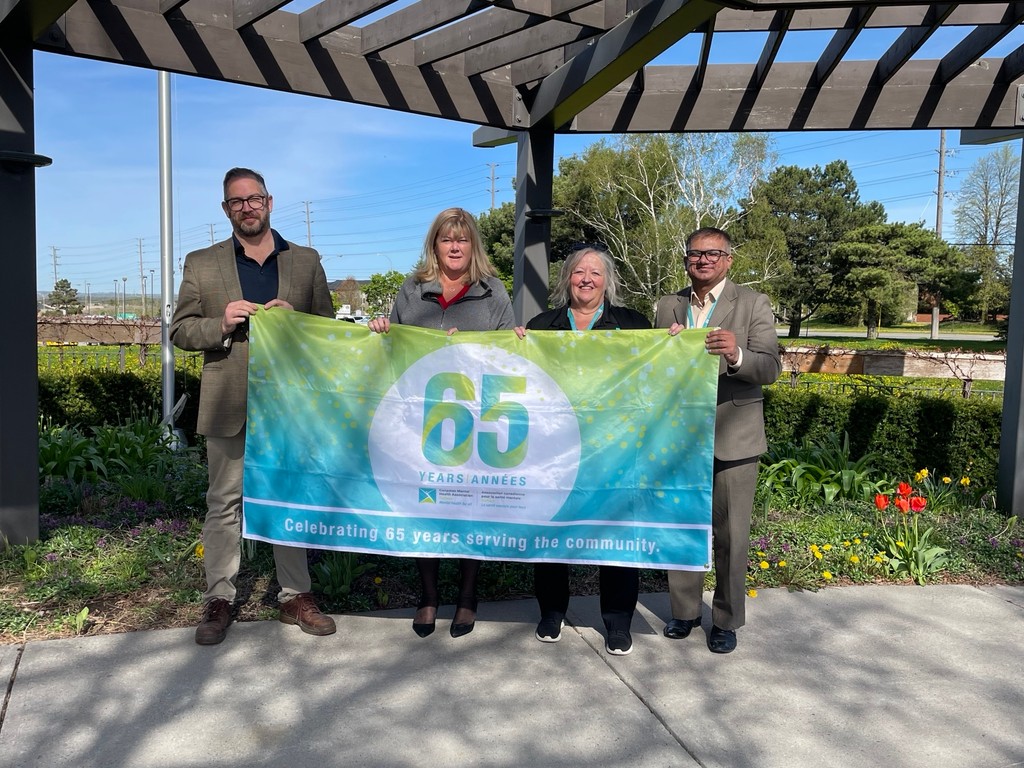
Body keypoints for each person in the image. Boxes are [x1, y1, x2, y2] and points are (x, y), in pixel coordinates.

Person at [171, 167, 337, 645]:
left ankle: (295, 597)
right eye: (236, 201)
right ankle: (219, 597)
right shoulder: (201, 263)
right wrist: (220, 323)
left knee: (288, 495)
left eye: (254, 198)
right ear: (226, 210)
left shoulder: (305, 262)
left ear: (269, 202)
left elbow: (328, 333)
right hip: (229, 402)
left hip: (289, 404)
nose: (247, 207)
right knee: (224, 502)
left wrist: (299, 323)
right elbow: (181, 331)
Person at [368, 207, 514, 638]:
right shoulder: (412, 291)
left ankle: (468, 598)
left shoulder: (493, 292)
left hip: (473, 420)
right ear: (434, 245)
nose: (454, 246)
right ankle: (428, 597)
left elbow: (507, 354)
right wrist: (381, 330)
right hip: (419, 420)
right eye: (446, 239)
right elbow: (392, 350)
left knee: (470, 508)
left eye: (462, 239)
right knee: (424, 506)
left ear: (473, 246)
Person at [514, 245, 651, 656]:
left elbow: (653, 378)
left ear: (608, 281)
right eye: (578, 272)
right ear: (566, 279)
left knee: (616, 537)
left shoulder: (633, 325)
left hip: (614, 450)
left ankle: (617, 622)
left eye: (595, 272)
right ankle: (552, 612)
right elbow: (525, 380)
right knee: (553, 529)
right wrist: (517, 345)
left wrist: (677, 345)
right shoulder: (541, 325)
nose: (586, 279)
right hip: (554, 450)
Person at [655, 226, 781, 654]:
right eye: (695, 253)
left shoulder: (752, 303)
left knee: (732, 534)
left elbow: (769, 368)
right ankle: (684, 612)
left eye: (713, 253)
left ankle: (725, 619)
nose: (703, 260)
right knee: (682, 528)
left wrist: (737, 354)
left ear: (728, 259)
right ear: (686, 260)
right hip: (680, 438)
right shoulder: (667, 305)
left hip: (735, 438)